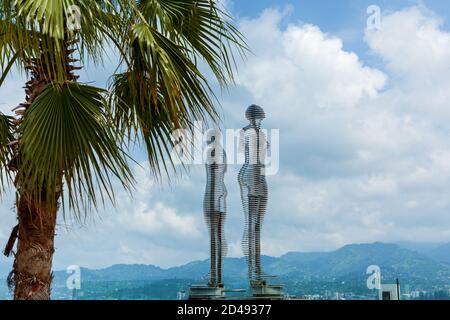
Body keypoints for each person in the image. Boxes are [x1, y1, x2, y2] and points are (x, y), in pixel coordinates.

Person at [238, 105, 269, 283]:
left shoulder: (262, 133)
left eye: (261, 118)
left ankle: (257, 267)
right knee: (250, 223)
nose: (259, 121)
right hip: (250, 175)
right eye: (257, 117)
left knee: (258, 225)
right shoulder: (245, 132)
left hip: (261, 175)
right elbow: (244, 152)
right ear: (250, 117)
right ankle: (252, 270)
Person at [203, 129, 227, 287]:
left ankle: (214, 276)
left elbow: (212, 175)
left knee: (214, 238)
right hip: (222, 196)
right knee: (219, 237)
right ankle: (217, 276)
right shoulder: (223, 152)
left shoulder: (212, 151)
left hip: (213, 197)